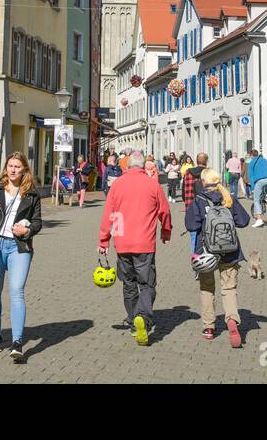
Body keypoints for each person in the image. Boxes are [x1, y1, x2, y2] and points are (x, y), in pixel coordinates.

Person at [98, 148, 172, 346]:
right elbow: (164, 211)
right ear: (143, 167)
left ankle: (132, 322)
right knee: (147, 284)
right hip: (145, 244)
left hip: (122, 243)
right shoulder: (152, 185)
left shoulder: (117, 185)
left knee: (129, 284)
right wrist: (166, 232)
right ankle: (143, 316)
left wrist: (104, 241)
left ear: (128, 166)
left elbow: (109, 215)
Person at [0, 152, 42, 362]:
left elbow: (38, 222)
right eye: (10, 166)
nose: (12, 170)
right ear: (6, 168)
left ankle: (17, 341)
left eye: (17, 167)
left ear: (24, 170)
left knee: (16, 291)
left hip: (18, 247)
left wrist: (27, 231)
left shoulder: (31, 193)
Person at [185, 168, 251, 346]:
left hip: (206, 253)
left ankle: (209, 327)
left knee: (207, 288)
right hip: (230, 251)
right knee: (229, 289)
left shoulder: (198, 200)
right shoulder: (228, 197)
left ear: (203, 182)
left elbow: (191, 224)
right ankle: (231, 321)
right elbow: (244, 221)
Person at [244, 147, 267, 228]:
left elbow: (251, 176)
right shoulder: (264, 159)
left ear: (251, 155)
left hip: (259, 181)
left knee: (256, 200)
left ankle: (259, 220)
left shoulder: (251, 162)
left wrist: (253, 188)